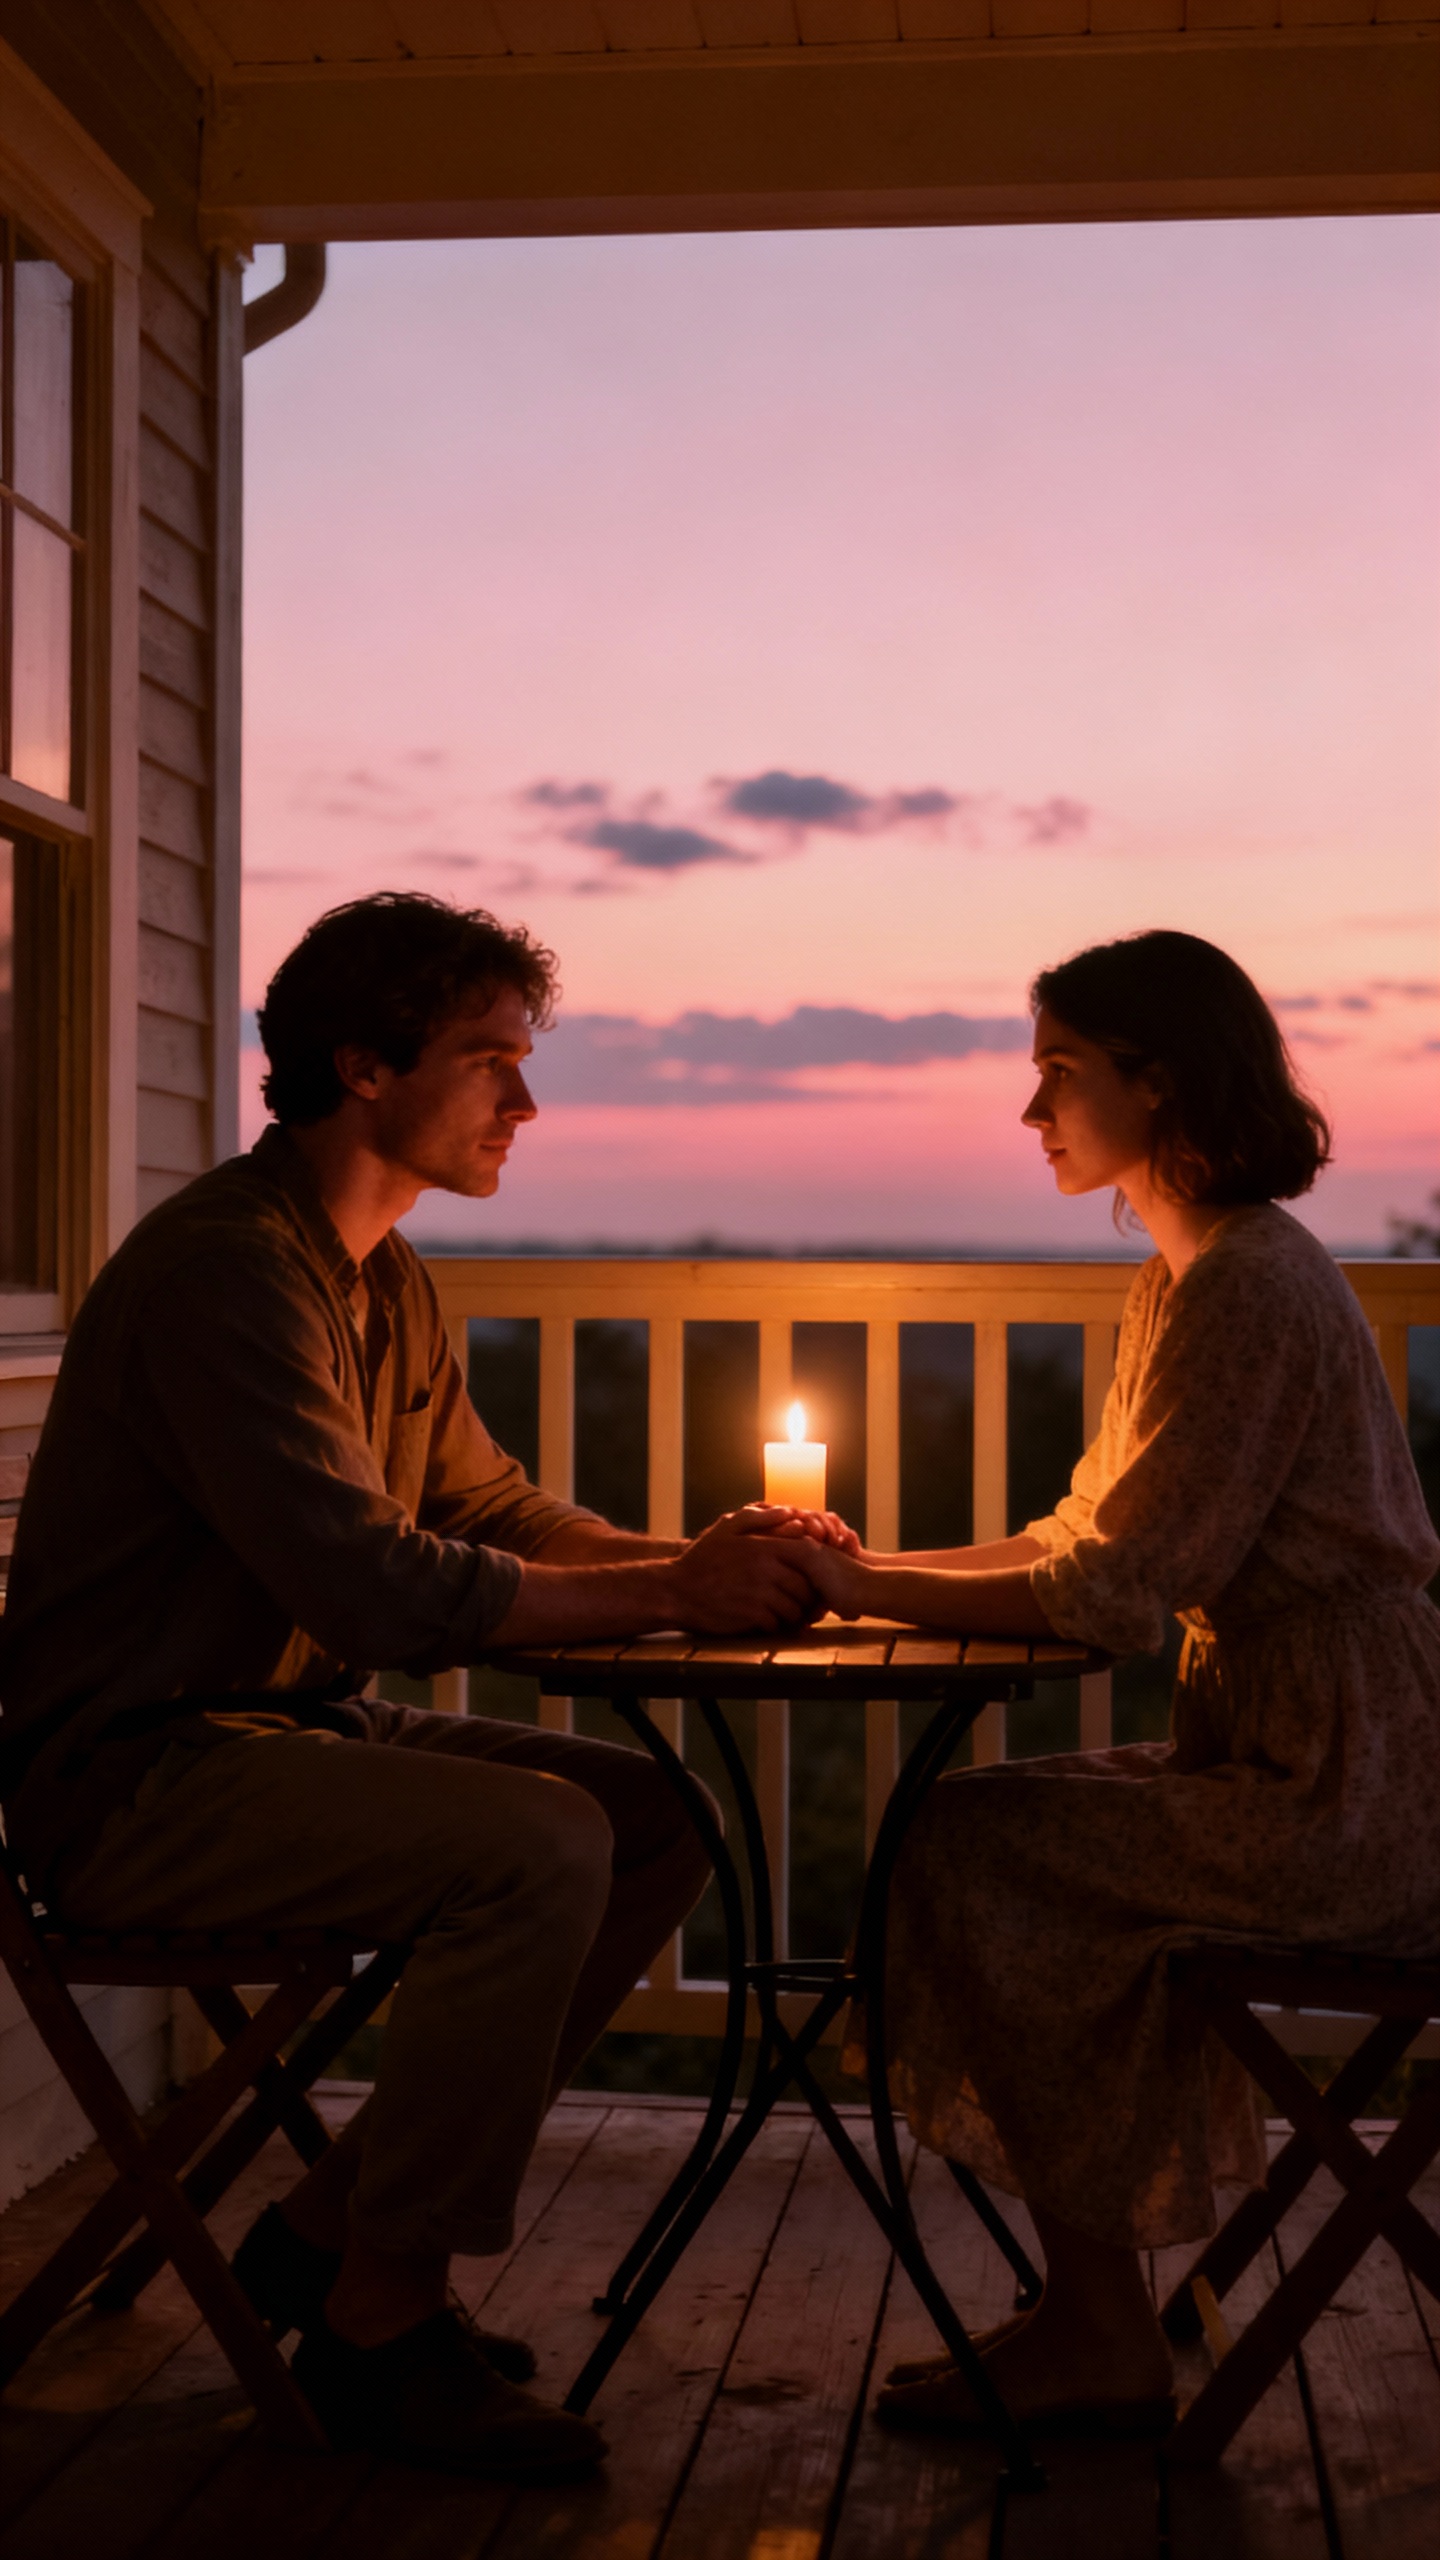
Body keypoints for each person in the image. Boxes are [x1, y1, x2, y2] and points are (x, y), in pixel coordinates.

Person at [0, 893, 828, 2483]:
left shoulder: (379, 1277)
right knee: (535, 1843)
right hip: (135, 1777)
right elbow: (374, 1585)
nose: (525, 1103)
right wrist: (671, 1594)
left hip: (273, 1734)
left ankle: (321, 2236)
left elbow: (490, 1511)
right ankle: (383, 2318)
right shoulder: (230, 1276)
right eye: (492, 1061)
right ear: (364, 1066)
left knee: (654, 1818)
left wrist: (716, 1553)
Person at [790, 929, 1440, 2439]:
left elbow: (1113, 1596)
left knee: (989, 1849)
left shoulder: (1250, 1288)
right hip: (1286, 1750)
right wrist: (873, 1567)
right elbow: (1081, 1536)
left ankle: (1099, 2327)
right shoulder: (1183, 1279)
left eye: (1058, 1077)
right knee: (990, 1834)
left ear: (1158, 1082)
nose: (1034, 1116)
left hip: (1346, 1783)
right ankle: (1100, 2308)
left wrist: (863, 1589)